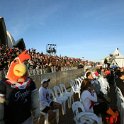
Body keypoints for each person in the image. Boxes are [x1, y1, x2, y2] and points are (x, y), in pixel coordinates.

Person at [0, 50, 40, 124]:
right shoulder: (4, 83)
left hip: (27, 117)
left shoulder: (29, 82)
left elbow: (35, 98)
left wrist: (36, 109)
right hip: (10, 120)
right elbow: (1, 104)